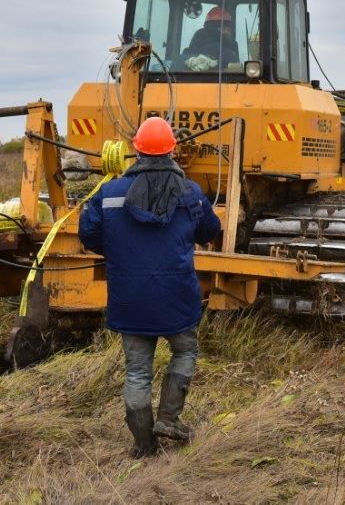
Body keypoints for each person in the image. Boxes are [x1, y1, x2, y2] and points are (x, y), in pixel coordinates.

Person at [78, 117, 221, 457]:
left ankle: (144, 446)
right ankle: (169, 419)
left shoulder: (109, 193)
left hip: (130, 298)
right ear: (172, 149)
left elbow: (88, 234)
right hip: (178, 298)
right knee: (184, 351)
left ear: (135, 150)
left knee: (138, 371)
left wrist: (119, 249)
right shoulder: (191, 193)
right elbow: (208, 231)